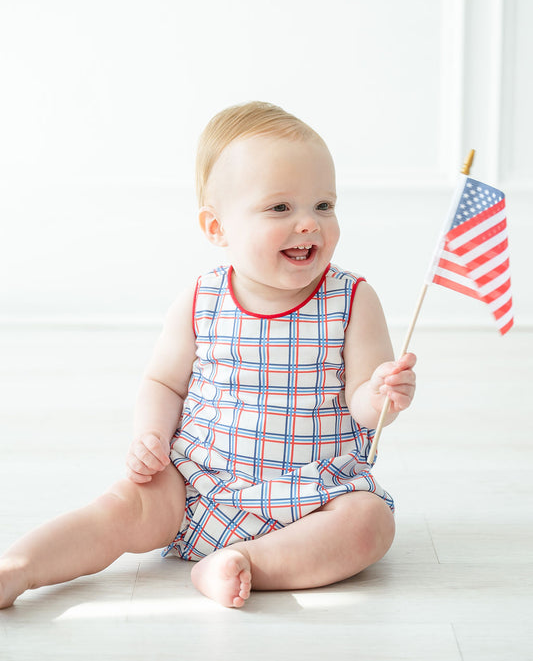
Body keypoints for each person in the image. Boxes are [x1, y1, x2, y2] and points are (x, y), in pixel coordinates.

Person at [0, 101, 416, 609]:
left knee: (370, 524)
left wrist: (382, 396)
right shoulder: (202, 299)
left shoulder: (352, 300)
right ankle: (19, 567)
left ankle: (241, 562)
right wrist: (149, 438)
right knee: (120, 507)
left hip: (313, 495)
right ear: (217, 227)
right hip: (196, 485)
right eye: (281, 208)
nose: (309, 224)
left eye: (324, 206)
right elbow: (163, 383)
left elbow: (363, 402)